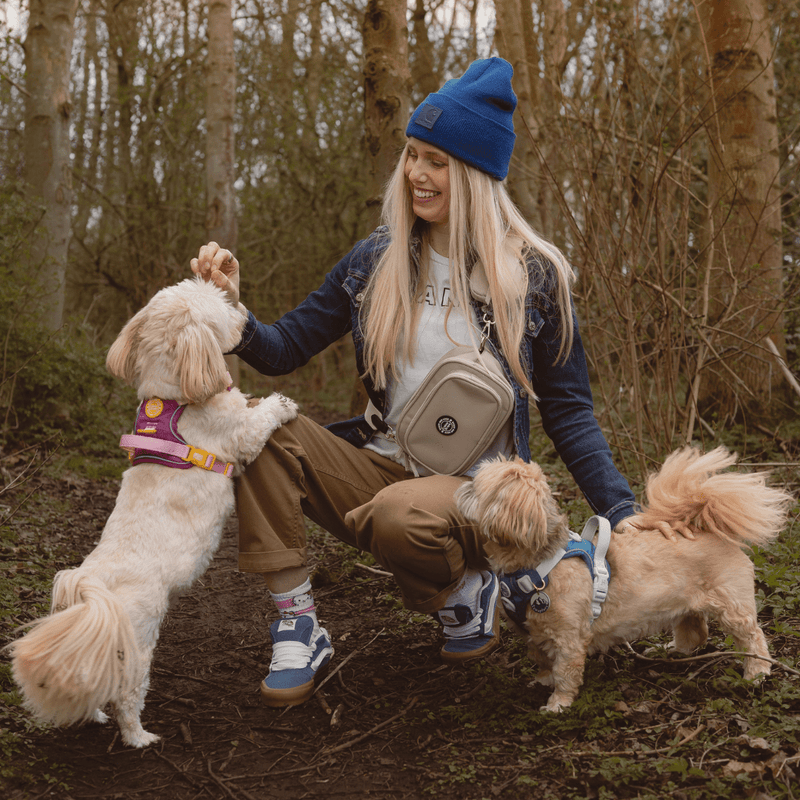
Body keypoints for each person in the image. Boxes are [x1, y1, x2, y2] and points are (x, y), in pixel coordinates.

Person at [191, 57, 639, 709]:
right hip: (383, 470)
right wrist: (229, 307)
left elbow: (570, 413)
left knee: (402, 515)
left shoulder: (534, 275)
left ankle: (465, 592)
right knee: (257, 430)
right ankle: (298, 623)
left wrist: (624, 517)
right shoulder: (375, 259)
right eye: (412, 155)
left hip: (481, 498)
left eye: (437, 161)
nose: (416, 174)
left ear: (475, 173)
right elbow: (284, 349)